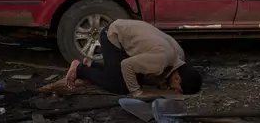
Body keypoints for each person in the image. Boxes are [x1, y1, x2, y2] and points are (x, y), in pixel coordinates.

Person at [65, 19, 202, 98]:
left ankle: (91, 65)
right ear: (177, 78)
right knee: (121, 87)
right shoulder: (162, 60)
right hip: (113, 35)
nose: (175, 90)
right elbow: (126, 65)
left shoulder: (179, 55)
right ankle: (80, 69)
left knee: (133, 79)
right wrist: (138, 93)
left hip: (127, 32)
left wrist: (161, 81)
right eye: (178, 89)